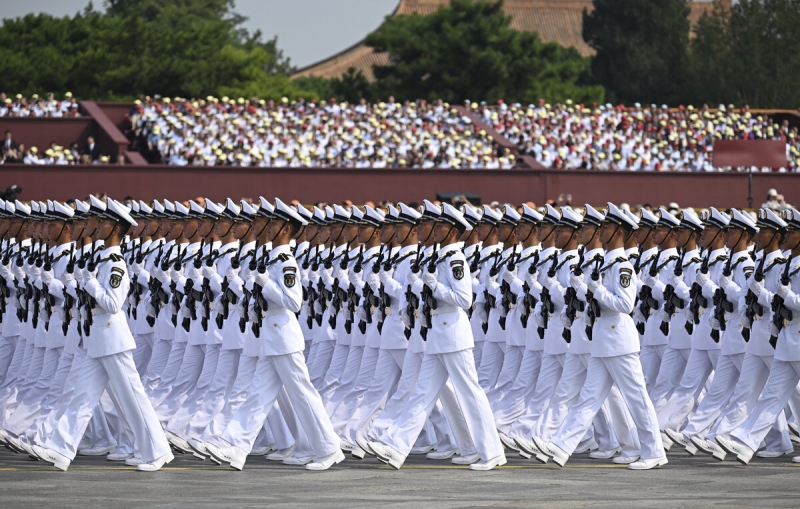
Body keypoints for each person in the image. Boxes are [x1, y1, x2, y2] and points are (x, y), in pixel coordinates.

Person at [32, 198, 173, 472]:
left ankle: (156, 452)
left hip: (111, 337)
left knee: (132, 398)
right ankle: (59, 449)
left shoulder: (116, 263)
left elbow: (112, 304)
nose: (97, 226)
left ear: (116, 228)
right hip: (94, 336)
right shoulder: (100, 260)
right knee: (79, 395)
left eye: (103, 222)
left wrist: (91, 283)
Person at [367, 203, 506, 470]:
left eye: (440, 225)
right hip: (436, 334)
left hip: (453, 333)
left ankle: (492, 452)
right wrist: (422, 286)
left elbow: (464, 299)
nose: (433, 229)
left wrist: (432, 285)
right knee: (421, 393)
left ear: (453, 231)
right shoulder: (439, 258)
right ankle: (396, 447)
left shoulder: (456, 260)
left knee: (470, 394)